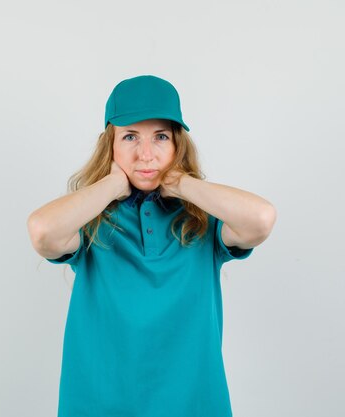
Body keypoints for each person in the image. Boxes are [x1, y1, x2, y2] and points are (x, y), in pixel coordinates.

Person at [27, 74, 276, 417]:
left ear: (178, 145)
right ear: (110, 146)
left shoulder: (203, 219)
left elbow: (261, 219)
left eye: (160, 137)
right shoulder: (92, 219)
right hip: (99, 406)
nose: (146, 154)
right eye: (130, 136)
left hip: (194, 407)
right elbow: (42, 231)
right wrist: (114, 184)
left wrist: (179, 182)